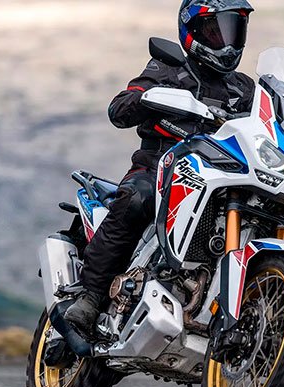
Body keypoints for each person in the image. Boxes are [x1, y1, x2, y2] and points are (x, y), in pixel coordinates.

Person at [65, 0, 256, 335]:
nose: (226, 42)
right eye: (215, 31)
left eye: (233, 30)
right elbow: (119, 109)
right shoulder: (168, 69)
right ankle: (91, 295)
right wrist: (148, 97)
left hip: (221, 176)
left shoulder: (243, 88)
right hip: (160, 168)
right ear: (192, 31)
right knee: (137, 198)